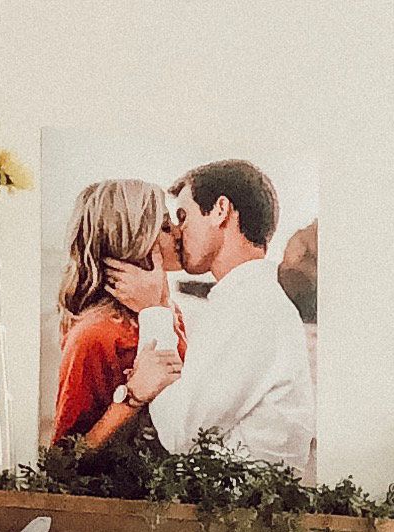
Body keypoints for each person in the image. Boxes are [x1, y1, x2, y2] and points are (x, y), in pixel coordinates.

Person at [109, 157, 314, 475]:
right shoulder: (249, 299)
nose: (178, 233)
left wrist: (153, 309)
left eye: (183, 216)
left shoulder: (251, 307)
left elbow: (178, 434)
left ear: (221, 210)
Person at [46, 180, 184, 455]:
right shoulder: (95, 334)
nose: (179, 233)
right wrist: (132, 397)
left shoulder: (170, 314)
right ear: (134, 243)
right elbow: (63, 462)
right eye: (165, 227)